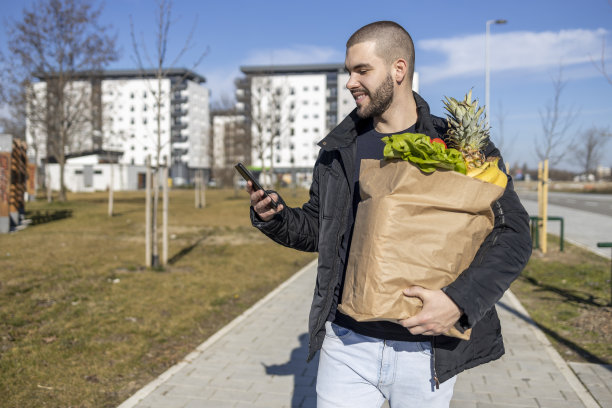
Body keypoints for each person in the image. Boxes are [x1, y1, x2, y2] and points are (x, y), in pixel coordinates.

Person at [246, 21, 532, 408]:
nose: (350, 82)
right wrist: (275, 217)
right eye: (348, 71)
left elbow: (513, 233)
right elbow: (320, 228)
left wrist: (460, 301)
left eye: (362, 70)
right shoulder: (339, 148)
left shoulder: (463, 146)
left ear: (399, 70)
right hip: (346, 345)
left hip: (427, 351)